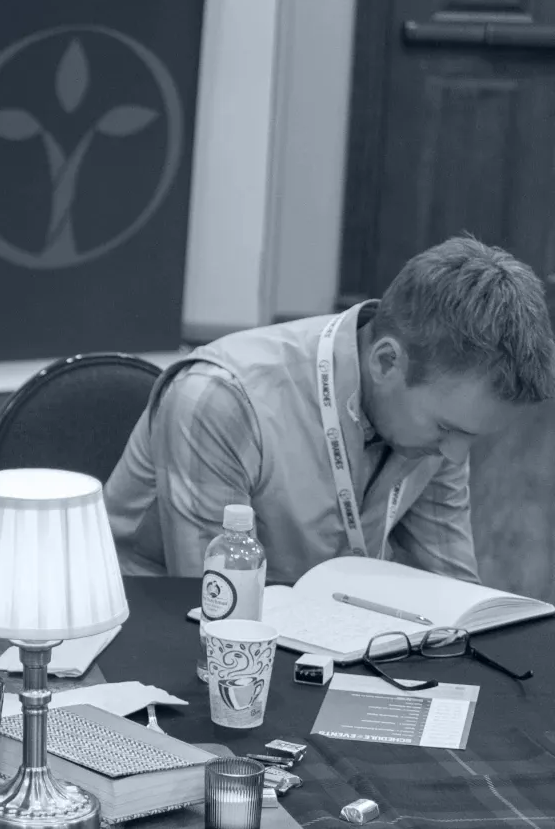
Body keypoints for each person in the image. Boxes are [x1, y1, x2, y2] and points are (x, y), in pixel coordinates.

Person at [106, 235, 555, 582]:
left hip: (318, 642)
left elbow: (452, 591)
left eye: (470, 437)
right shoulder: (221, 400)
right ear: (386, 361)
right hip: (161, 656)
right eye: (445, 429)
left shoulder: (440, 420)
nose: (455, 455)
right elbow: (216, 613)